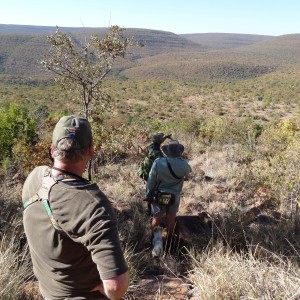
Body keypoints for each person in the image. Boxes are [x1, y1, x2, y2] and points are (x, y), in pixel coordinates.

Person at [22, 115, 129, 300]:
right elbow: (116, 286)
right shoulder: (92, 204)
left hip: (49, 293)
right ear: (90, 151)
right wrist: (107, 291)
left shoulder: (34, 178)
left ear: (53, 149)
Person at [146, 140, 192, 236]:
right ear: (179, 152)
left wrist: (148, 193)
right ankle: (170, 238)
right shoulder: (184, 164)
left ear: (167, 151)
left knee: (156, 218)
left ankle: (151, 237)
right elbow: (188, 175)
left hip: (158, 195)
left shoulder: (158, 162)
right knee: (171, 218)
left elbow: (151, 180)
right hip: (174, 196)